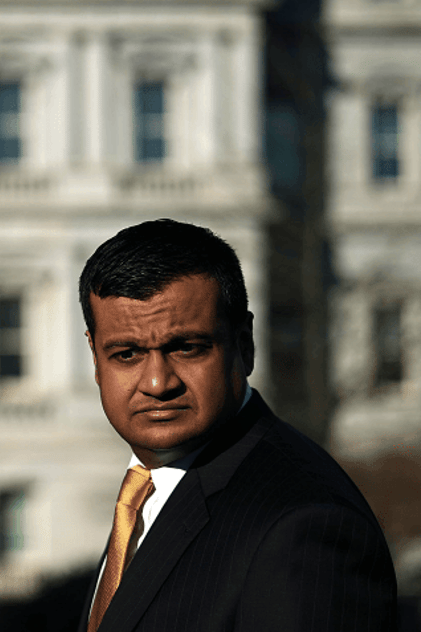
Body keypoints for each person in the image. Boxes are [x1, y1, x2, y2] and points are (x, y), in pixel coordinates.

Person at [77, 219, 396, 632]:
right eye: (127, 354)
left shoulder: (305, 526)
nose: (157, 383)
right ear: (95, 356)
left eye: (187, 348)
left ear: (243, 343)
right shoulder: (149, 488)